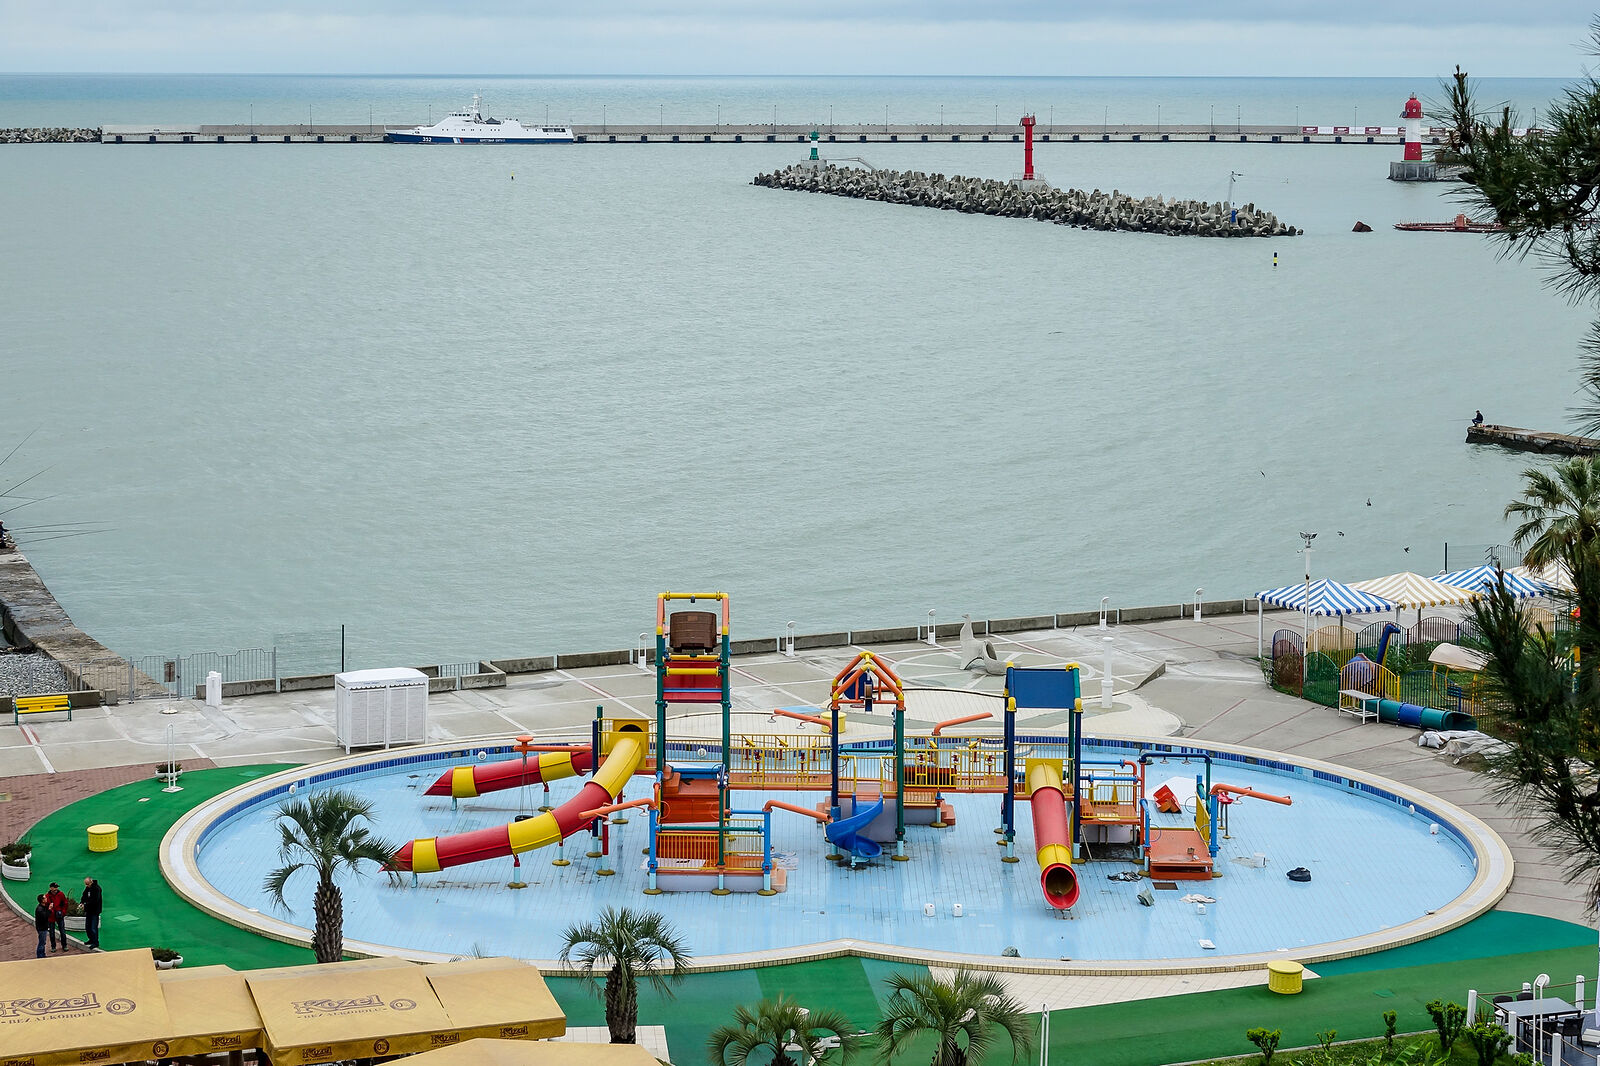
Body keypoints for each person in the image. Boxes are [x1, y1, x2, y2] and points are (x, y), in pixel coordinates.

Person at [44, 882, 68, 951]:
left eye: (56, 887)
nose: (56, 889)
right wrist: (49, 911)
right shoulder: (47, 896)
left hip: (59, 915)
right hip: (51, 917)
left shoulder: (61, 894)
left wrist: (63, 912)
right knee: (51, 933)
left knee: (62, 932)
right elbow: (45, 906)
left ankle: (64, 946)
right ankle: (53, 947)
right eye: (54, 887)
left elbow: (65, 903)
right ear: (50, 888)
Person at [80, 877, 102, 950]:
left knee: (93, 927)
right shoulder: (88, 888)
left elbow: (95, 901)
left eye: (87, 884)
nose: (86, 885)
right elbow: (84, 895)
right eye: (85, 884)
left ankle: (95, 942)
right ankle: (91, 939)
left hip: (95, 911)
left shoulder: (97, 889)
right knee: (88, 927)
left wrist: (86, 905)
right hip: (89, 911)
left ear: (91, 882)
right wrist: (82, 902)